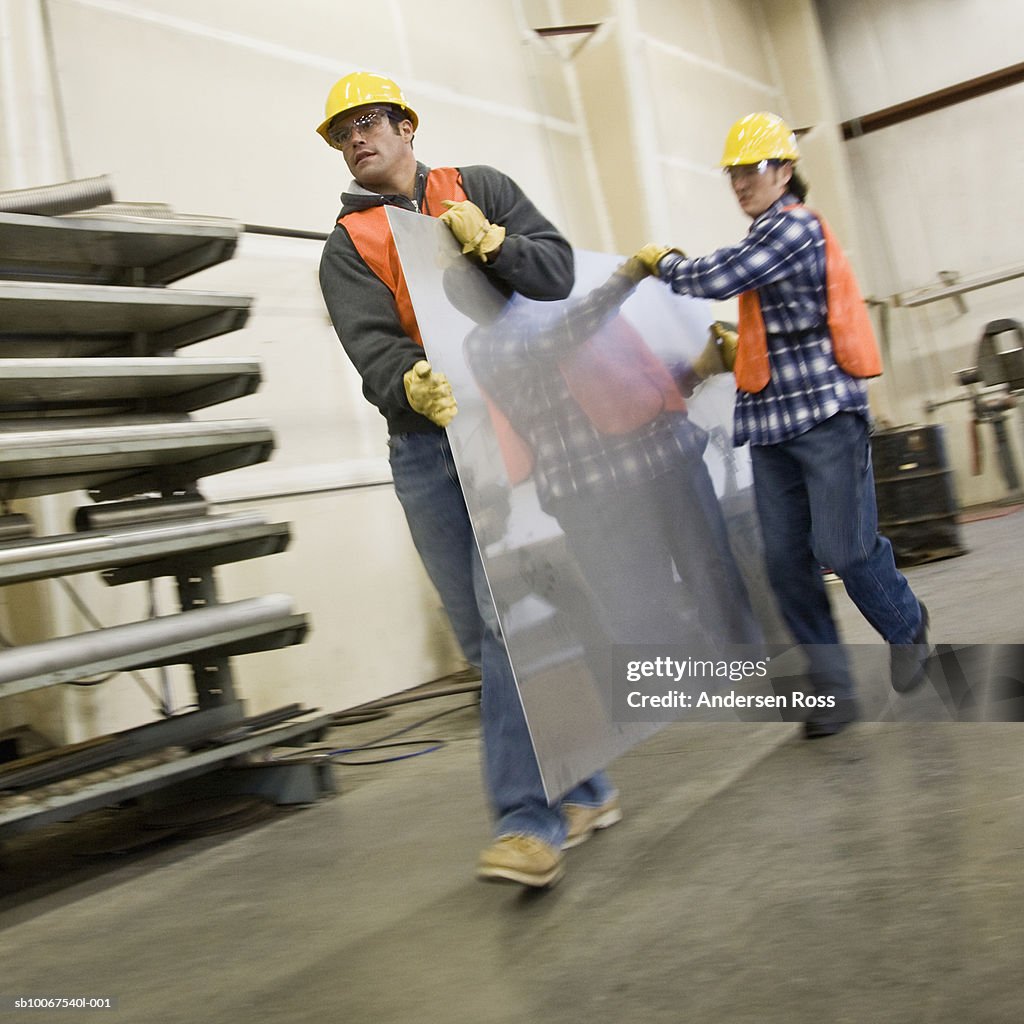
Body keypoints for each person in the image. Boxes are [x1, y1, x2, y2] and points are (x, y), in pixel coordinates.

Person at [316, 70, 619, 887]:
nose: (357, 136)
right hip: (426, 453)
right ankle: (586, 784)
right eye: (343, 130)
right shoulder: (346, 248)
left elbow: (554, 273)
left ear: (408, 127)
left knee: (508, 620)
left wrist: (495, 245)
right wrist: (406, 381)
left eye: (371, 119)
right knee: (489, 641)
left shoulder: (480, 190)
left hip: (512, 435)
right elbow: (371, 344)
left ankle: (527, 820)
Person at [634, 112, 931, 738]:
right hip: (771, 425)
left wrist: (663, 263)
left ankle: (907, 628)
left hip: (824, 417)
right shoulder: (768, 234)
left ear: (785, 171)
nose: (741, 183)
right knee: (784, 563)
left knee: (845, 549)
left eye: (752, 170)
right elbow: (774, 311)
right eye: (733, 174)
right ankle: (834, 694)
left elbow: (720, 275)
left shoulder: (793, 228)